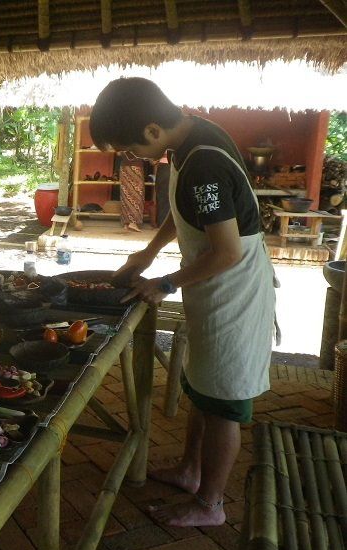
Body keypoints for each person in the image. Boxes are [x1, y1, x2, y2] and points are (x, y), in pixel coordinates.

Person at [89, 78, 276, 527]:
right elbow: (190, 211)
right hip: (213, 284)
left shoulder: (202, 164)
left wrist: (165, 283)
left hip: (233, 289)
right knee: (204, 387)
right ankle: (191, 472)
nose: (130, 156)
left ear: (152, 129)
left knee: (223, 400)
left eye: (130, 147)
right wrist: (148, 253)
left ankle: (211, 505)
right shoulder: (192, 137)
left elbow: (227, 250)